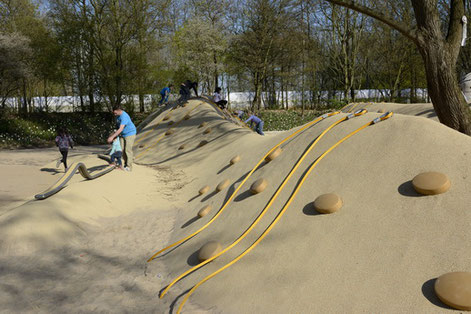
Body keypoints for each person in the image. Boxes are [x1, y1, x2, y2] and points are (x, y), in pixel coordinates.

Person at [107, 105, 136, 171]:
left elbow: (120, 129)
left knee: (127, 150)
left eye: (115, 113)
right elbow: (117, 127)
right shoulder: (117, 116)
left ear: (119, 110)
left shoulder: (124, 116)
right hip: (123, 134)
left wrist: (112, 137)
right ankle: (124, 164)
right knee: (121, 150)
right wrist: (113, 134)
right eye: (114, 113)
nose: (114, 114)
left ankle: (129, 166)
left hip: (130, 133)